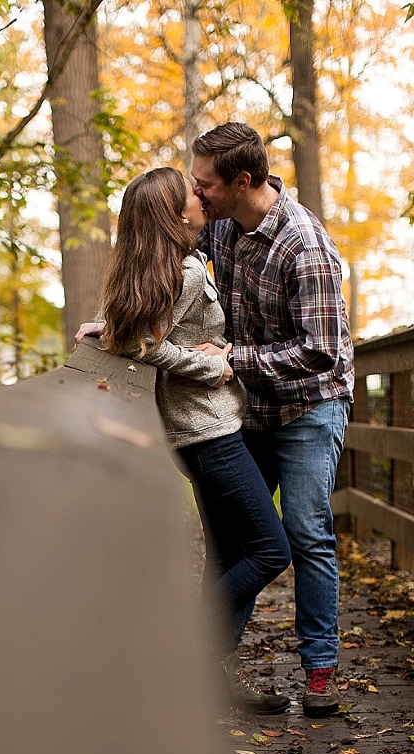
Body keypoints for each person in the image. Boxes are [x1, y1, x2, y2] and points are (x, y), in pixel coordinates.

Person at [76, 167, 291, 713]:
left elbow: (144, 332)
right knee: (271, 551)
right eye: (193, 194)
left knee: (225, 556)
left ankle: (204, 682)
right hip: (208, 432)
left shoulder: (169, 265)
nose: (202, 197)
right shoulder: (189, 270)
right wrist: (210, 369)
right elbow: (149, 347)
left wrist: (108, 327)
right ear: (177, 216)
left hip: (198, 431)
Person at [189, 123, 354, 717]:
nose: (196, 192)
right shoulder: (223, 228)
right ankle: (205, 671)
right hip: (249, 407)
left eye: (204, 184)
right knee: (240, 537)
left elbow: (321, 350)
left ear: (241, 181)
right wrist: (118, 322)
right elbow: (166, 273)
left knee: (306, 532)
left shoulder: (305, 245)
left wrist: (234, 358)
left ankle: (319, 669)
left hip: (310, 406)